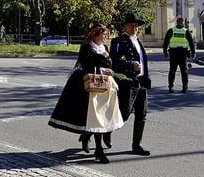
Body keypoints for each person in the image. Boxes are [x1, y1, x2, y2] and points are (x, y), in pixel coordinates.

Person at [48, 24, 124, 164]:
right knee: (95, 118)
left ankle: (86, 136)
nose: (105, 36)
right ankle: (98, 150)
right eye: (103, 33)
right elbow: (89, 65)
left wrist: (104, 64)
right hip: (89, 86)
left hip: (103, 85)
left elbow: (109, 63)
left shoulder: (104, 48)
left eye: (106, 34)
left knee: (101, 116)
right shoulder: (87, 47)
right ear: (95, 34)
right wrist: (103, 64)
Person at [108, 12, 152, 156]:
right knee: (124, 114)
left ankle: (136, 145)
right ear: (125, 26)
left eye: (136, 25)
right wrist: (131, 64)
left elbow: (144, 63)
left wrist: (147, 77)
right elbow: (113, 62)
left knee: (142, 114)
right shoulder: (118, 41)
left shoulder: (139, 41)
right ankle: (106, 132)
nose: (134, 28)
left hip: (141, 82)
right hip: (127, 82)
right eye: (131, 25)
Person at [163, 16, 195, 93]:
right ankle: (185, 88)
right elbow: (191, 42)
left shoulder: (171, 30)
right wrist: (193, 52)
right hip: (183, 53)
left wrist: (165, 52)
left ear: (176, 23)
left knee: (172, 70)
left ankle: (171, 87)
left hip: (173, 53)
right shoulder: (186, 31)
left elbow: (166, 42)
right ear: (183, 23)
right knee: (184, 71)